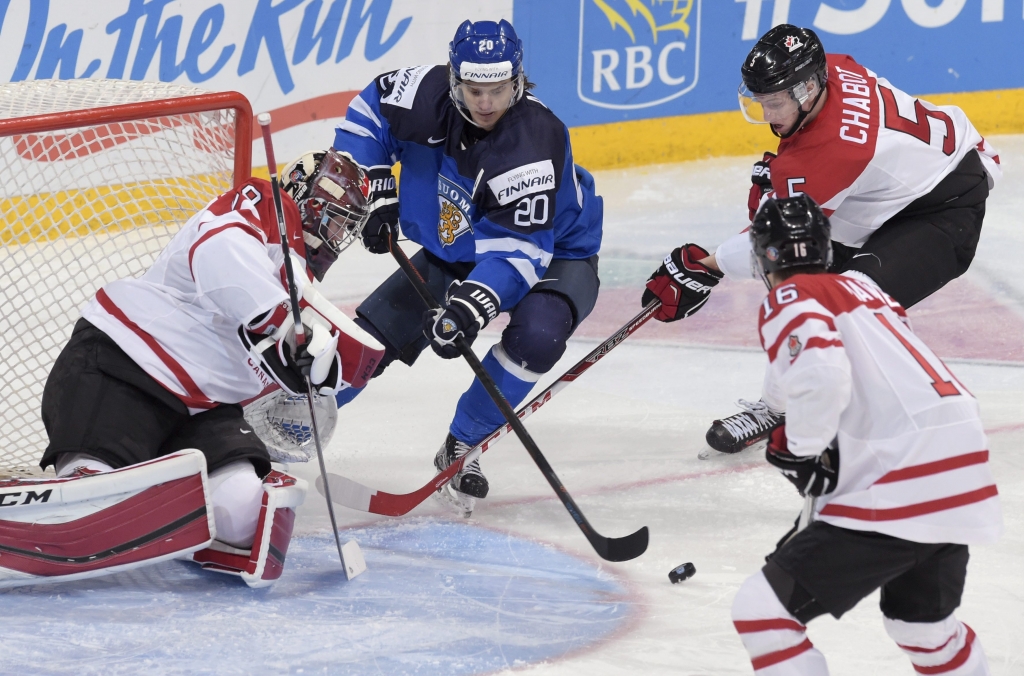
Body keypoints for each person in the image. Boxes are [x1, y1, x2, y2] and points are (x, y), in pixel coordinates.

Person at [27, 149, 384, 588]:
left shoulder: (300, 287)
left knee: (247, 514)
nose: (333, 235)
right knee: (93, 507)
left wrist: (314, 377)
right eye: (332, 218)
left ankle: (157, 512)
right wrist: (279, 320)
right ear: (305, 197)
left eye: (343, 227)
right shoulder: (267, 206)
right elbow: (216, 249)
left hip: (206, 410)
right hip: (126, 366)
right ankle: (99, 491)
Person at [641, 24, 1001, 455]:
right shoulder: (832, 68)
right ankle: (783, 402)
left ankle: (805, 409)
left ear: (808, 89)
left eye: (774, 103)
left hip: (945, 210)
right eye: (761, 102)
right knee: (807, 278)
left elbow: (772, 244)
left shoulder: (831, 152)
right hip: (896, 190)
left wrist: (705, 267)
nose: (768, 115)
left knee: (838, 305)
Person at [331, 19, 603, 512]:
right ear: (454, 79)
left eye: (498, 90)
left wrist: (470, 307)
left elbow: (519, 253)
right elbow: (366, 116)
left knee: (537, 337)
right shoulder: (423, 94)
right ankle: (287, 420)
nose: (486, 103)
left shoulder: (532, 142)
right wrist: (374, 185)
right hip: (457, 246)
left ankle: (462, 444)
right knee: (370, 343)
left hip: (555, 250)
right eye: (474, 90)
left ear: (517, 80)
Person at [730, 194, 1001, 675]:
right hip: (962, 468)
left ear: (764, 256)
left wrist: (802, 449)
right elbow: (793, 379)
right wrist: (780, 416)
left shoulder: (790, 296)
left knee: (761, 611)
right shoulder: (865, 289)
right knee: (923, 630)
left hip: (902, 473)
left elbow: (820, 373)